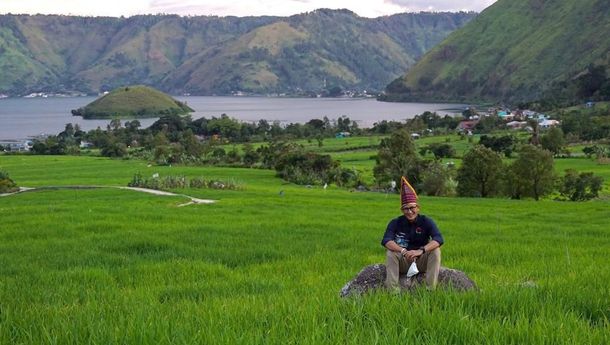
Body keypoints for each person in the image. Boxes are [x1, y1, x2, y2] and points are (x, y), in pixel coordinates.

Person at [381, 176, 444, 290]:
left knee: (436, 251)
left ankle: (430, 289)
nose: (409, 211)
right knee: (390, 253)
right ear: (402, 210)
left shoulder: (426, 221)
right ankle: (393, 291)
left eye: (412, 208)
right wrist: (403, 251)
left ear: (418, 208)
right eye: (406, 208)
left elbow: (438, 239)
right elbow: (386, 241)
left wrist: (421, 251)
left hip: (421, 261)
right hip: (403, 261)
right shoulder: (395, 222)